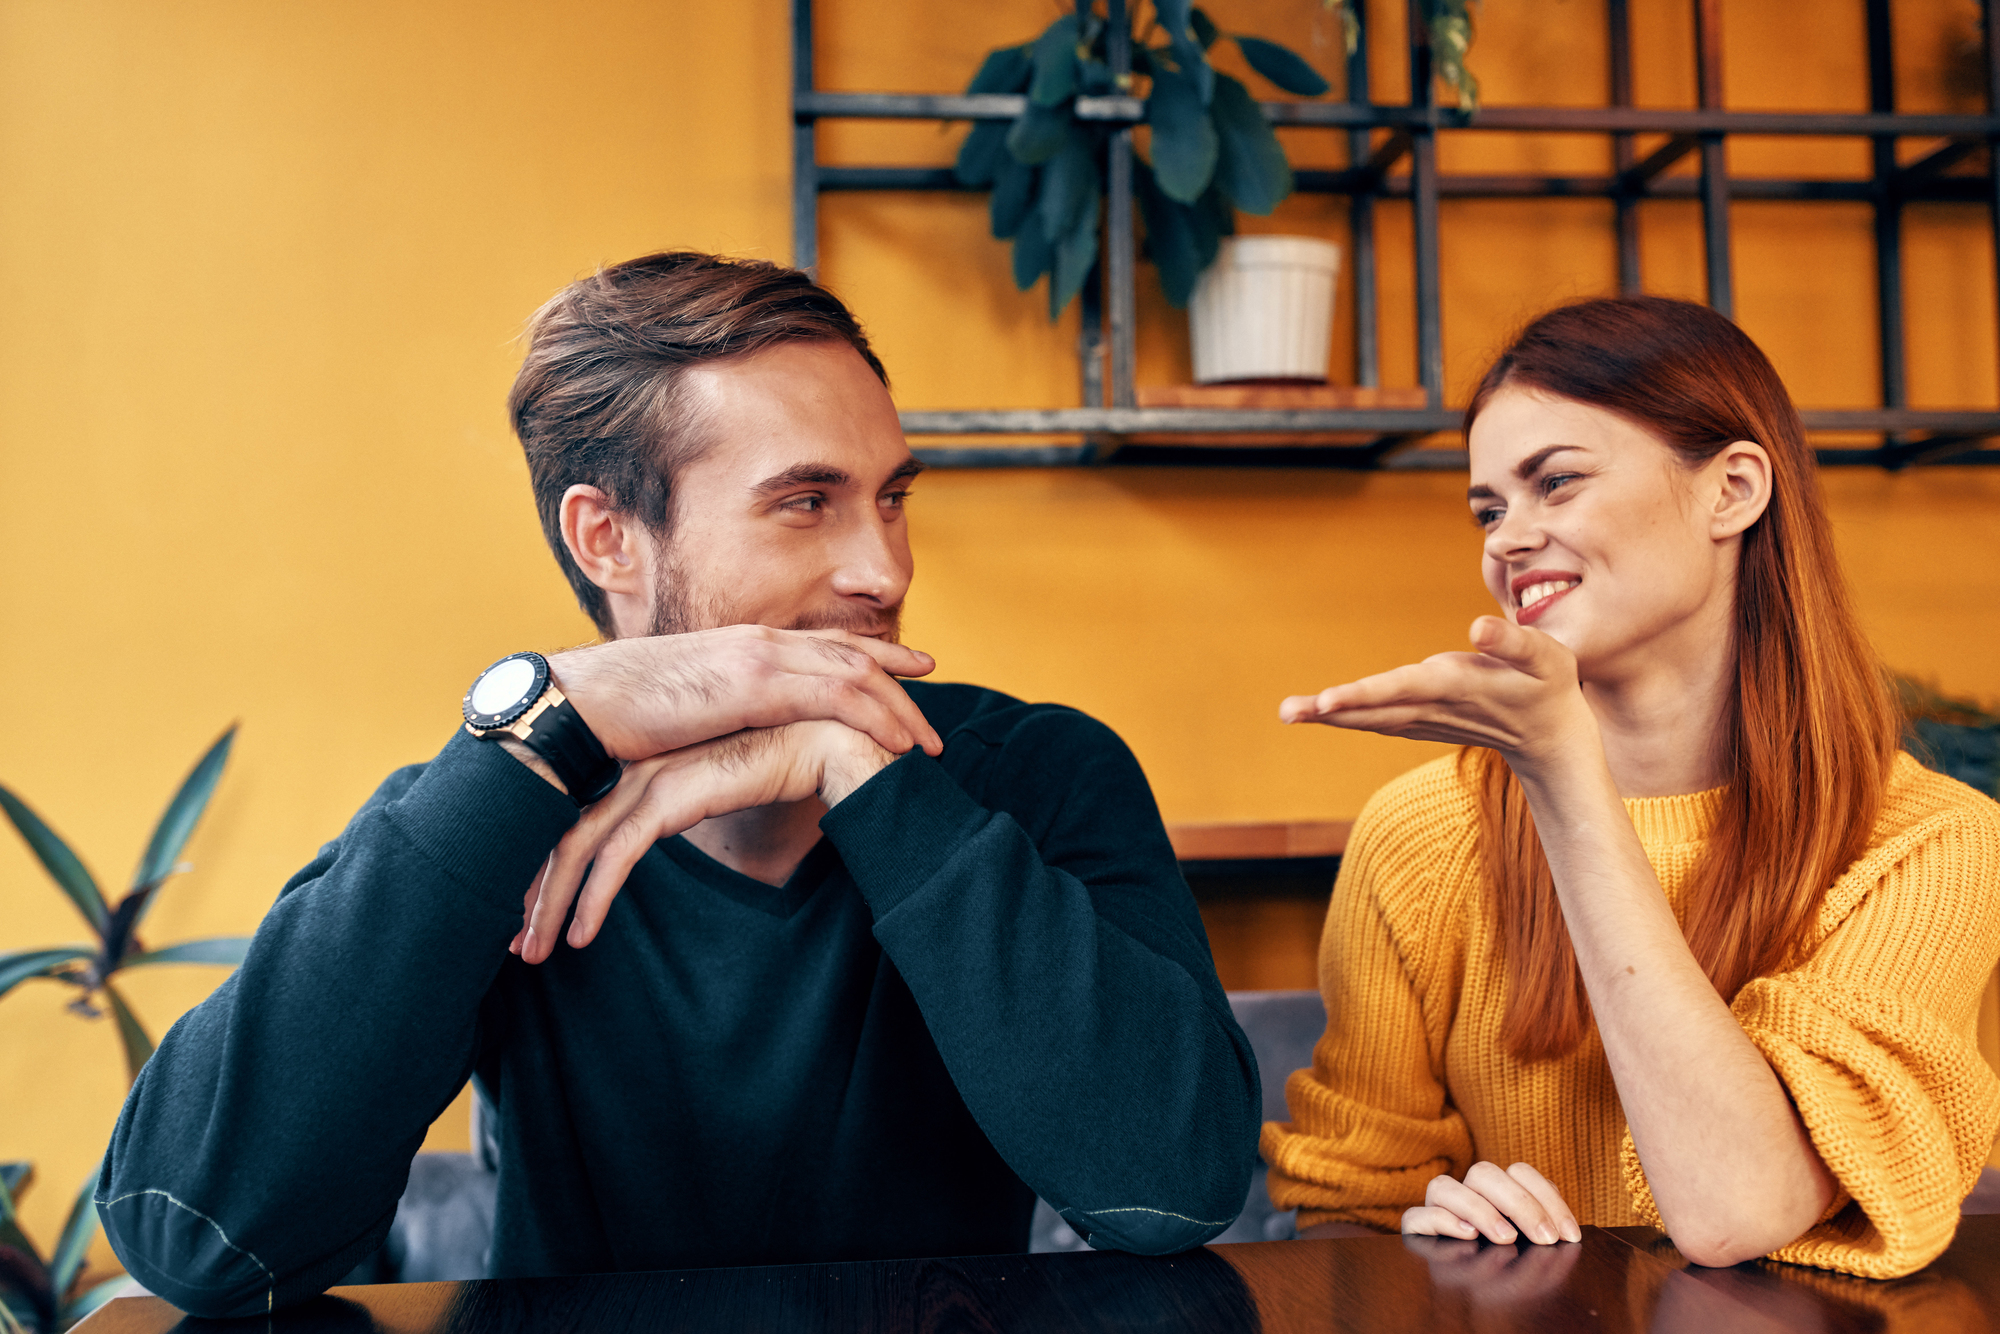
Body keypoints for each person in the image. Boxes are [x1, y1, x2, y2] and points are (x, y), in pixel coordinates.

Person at [96, 251, 1260, 1317]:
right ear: (608, 538)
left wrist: (862, 767)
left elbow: (1172, 1188)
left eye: (892, 496)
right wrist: (529, 746)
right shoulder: (497, 811)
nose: (884, 566)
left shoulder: (1039, 773)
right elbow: (198, 1233)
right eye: (807, 501)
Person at [1260, 295, 2000, 1280]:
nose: (1505, 539)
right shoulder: (1419, 834)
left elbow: (1737, 1208)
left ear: (1730, 491)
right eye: (1487, 508)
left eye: (1553, 482)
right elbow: (1341, 1213)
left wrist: (1562, 773)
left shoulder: (1928, 846)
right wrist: (1428, 1234)